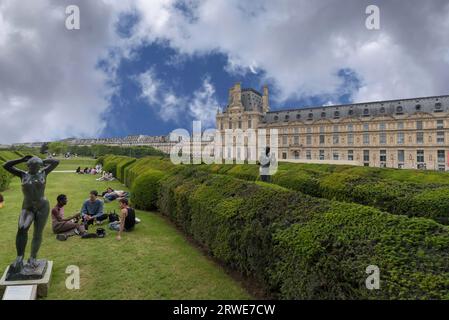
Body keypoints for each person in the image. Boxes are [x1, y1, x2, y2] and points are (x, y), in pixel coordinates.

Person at [2, 155, 59, 272]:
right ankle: (19, 257)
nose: (37, 168)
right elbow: (6, 165)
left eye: (38, 166)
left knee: (37, 233)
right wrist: (21, 159)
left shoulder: (43, 172)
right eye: (34, 166)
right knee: (22, 228)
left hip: (43, 206)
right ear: (29, 166)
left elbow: (56, 161)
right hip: (27, 207)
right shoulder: (23, 174)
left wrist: (41, 160)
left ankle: (33, 257)